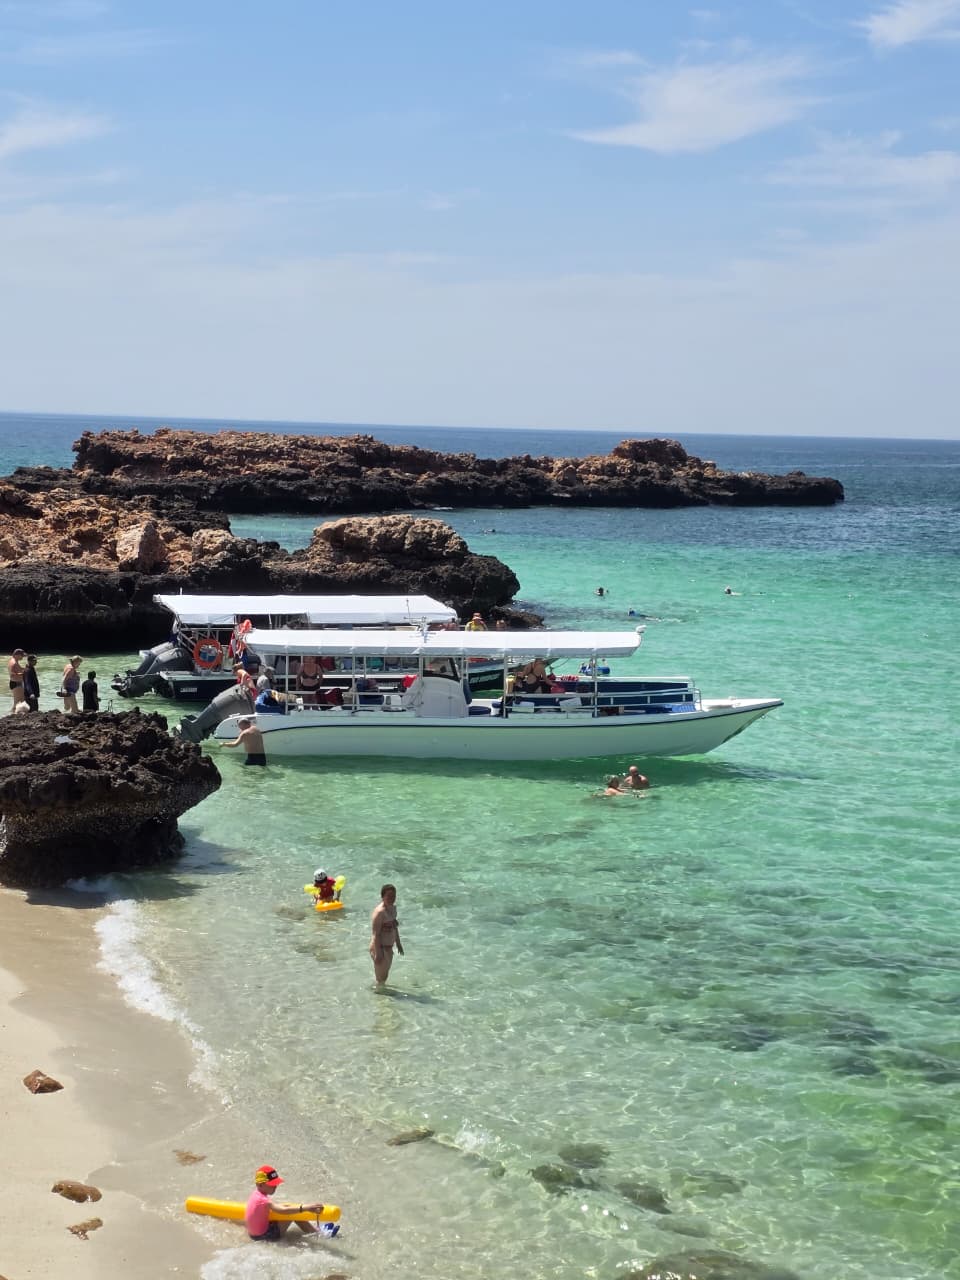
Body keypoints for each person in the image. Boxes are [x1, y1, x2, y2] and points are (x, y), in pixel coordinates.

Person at [244, 1165, 334, 1241]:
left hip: (253, 1235)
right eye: (272, 1184)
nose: (276, 1186)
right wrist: (306, 1208)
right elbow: (284, 1210)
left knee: (289, 1207)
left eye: (276, 1183)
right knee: (293, 1213)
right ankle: (318, 1234)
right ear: (260, 1185)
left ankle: (314, 1230)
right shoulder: (263, 1201)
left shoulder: (256, 1195)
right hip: (265, 1236)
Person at [370, 884, 404, 985]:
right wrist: (378, 953)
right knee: (380, 979)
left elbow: (394, 927)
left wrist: (398, 943)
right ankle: (377, 993)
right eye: (389, 896)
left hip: (388, 948)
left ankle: (380, 993)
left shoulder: (392, 909)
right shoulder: (380, 912)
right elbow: (375, 934)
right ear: (383, 896)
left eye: (393, 896)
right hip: (380, 948)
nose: (391, 898)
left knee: (384, 977)